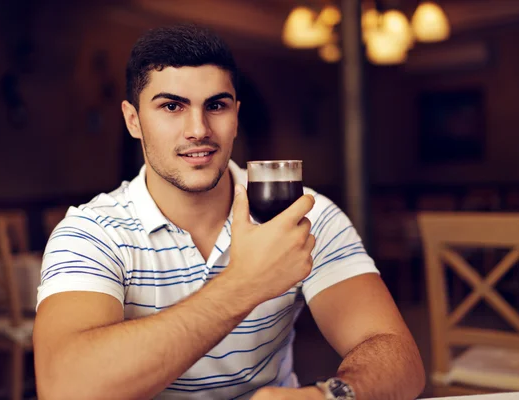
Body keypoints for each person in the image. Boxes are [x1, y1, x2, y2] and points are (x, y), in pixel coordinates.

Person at [33, 24, 425, 400]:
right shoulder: (91, 231)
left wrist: (328, 396)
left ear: (236, 115)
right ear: (133, 120)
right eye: (172, 106)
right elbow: (65, 387)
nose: (199, 129)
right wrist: (244, 285)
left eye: (216, 105)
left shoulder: (303, 214)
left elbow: (398, 357)